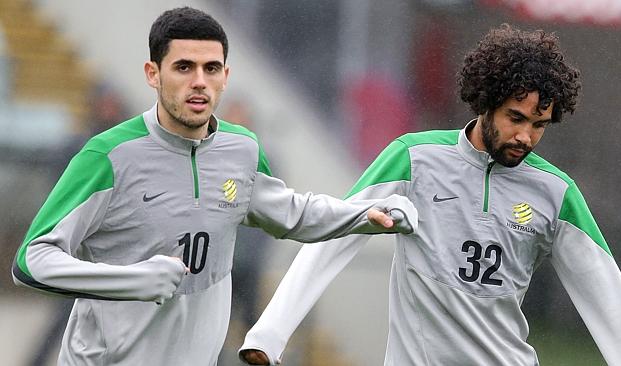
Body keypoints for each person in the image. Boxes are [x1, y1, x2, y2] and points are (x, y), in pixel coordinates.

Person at [10, 7, 418, 366]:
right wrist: (132, 280)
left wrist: (362, 214)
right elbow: (32, 261)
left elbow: (292, 213)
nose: (200, 81)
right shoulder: (107, 155)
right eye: (184, 67)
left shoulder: (242, 149)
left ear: (226, 75)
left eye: (211, 68)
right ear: (153, 74)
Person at [239, 24, 621, 365]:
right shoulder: (413, 158)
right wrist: (270, 334)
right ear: (485, 102)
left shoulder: (557, 192)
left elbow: (606, 293)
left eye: (539, 124)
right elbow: (334, 238)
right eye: (516, 118)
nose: (526, 136)